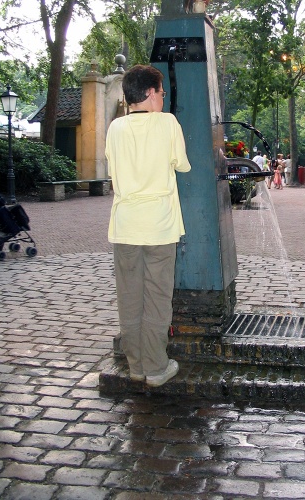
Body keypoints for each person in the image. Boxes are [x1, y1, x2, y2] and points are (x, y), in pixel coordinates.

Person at [105, 64, 191, 387]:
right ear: (152, 93)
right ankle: (156, 368)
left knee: (129, 296)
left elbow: (114, 172)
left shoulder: (115, 129)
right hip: (158, 225)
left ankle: (136, 365)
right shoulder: (168, 124)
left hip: (126, 226)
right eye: (162, 94)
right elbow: (181, 164)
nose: (164, 100)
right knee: (156, 295)